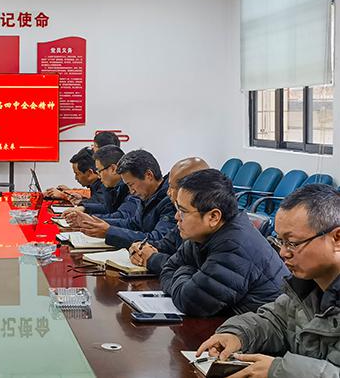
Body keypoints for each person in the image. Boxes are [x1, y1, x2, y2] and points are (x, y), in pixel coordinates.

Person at [197, 184, 340, 377]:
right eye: (280, 241)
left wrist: (278, 371)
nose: (283, 252)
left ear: (337, 238)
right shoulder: (307, 286)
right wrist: (237, 335)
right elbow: (275, 321)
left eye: (292, 243)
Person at [160, 169, 287, 317]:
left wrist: (186, 270)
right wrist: (190, 275)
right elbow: (167, 270)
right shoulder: (202, 236)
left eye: (183, 211)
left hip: (261, 327)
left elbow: (191, 302)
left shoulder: (236, 246)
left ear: (213, 217)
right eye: (177, 208)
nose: (176, 216)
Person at [67, 149, 177, 249]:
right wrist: (93, 222)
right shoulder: (146, 195)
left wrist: (109, 232)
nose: (131, 191)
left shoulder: (169, 201)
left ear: (149, 175)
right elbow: (133, 224)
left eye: (131, 184)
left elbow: (158, 239)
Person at [128, 157, 209, 274]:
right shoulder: (182, 214)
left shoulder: (205, 221)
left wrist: (152, 259)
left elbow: (190, 271)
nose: (168, 192)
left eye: (172, 187)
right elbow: (166, 244)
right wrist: (140, 247)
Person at [63, 146, 139, 220]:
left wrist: (88, 219)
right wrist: (84, 208)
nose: (98, 176)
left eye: (99, 171)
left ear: (113, 169)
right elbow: (107, 208)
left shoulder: (131, 188)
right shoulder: (113, 186)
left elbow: (121, 217)